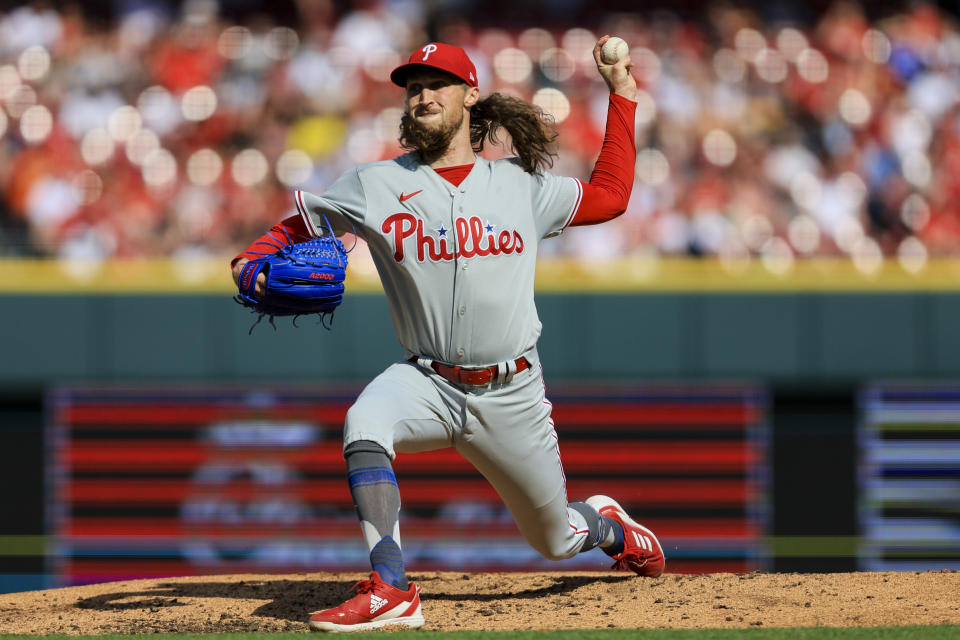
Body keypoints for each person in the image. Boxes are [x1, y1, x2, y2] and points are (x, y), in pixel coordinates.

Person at [231, 37, 664, 633]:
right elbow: (293, 228)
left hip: (512, 390)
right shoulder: (373, 185)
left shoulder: (520, 186)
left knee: (556, 538)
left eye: (437, 83)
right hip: (427, 380)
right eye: (413, 86)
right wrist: (251, 259)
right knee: (366, 423)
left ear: (470, 95)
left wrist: (622, 96)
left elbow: (612, 197)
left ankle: (609, 524)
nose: (423, 94)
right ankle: (391, 587)